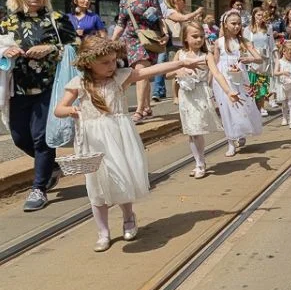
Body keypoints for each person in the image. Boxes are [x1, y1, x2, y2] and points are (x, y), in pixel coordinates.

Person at [54, 36, 204, 250]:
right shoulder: (79, 83)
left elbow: (151, 71)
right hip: (94, 141)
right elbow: (58, 110)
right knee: (96, 187)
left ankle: (128, 217)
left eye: (114, 60)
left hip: (119, 136)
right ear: (88, 63)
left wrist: (180, 62)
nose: (112, 66)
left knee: (121, 180)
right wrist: (71, 110)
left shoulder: (120, 77)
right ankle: (103, 232)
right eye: (105, 62)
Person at [1, 0, 77, 211]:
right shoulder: (7, 22)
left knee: (41, 137)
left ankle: (38, 188)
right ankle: (50, 166)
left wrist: (50, 48)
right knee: (19, 137)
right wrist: (5, 52)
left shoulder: (56, 18)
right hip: (17, 88)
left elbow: (76, 45)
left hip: (50, 87)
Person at [167, 22, 224, 179]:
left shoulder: (206, 56)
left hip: (200, 95)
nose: (199, 39)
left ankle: (200, 163)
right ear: (185, 38)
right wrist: (180, 70)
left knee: (196, 130)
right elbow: (168, 74)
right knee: (191, 132)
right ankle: (199, 161)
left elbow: (217, 74)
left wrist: (227, 91)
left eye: (201, 36)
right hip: (186, 96)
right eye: (195, 36)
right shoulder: (180, 54)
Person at [110, 0, 167, 124]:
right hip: (131, 39)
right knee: (143, 73)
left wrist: (165, 34)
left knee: (140, 72)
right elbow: (121, 23)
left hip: (148, 37)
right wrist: (111, 41)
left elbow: (159, 18)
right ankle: (147, 108)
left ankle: (139, 111)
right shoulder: (123, 0)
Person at [212, 10, 264, 157]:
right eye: (233, 23)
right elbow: (214, 64)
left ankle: (240, 133)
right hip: (224, 80)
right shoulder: (219, 43)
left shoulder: (243, 42)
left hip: (240, 79)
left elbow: (259, 58)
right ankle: (230, 141)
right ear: (225, 24)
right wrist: (210, 82)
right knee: (226, 110)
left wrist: (250, 59)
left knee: (242, 107)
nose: (236, 26)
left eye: (239, 24)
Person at [155, 0, 204, 103]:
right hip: (173, 45)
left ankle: (185, 90)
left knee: (184, 69)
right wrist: (196, 11)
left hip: (183, 44)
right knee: (176, 70)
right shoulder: (170, 12)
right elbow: (183, 19)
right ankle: (175, 95)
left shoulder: (183, 12)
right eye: (182, 0)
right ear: (174, 1)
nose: (184, 2)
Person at [244, 7, 275, 117]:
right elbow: (245, 45)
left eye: (262, 15)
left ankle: (261, 106)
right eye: (258, 15)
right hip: (252, 60)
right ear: (253, 16)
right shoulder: (248, 30)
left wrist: (276, 60)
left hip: (264, 60)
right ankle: (253, 107)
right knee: (252, 83)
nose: (260, 17)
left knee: (262, 84)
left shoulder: (268, 29)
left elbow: (272, 45)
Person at [272, 42, 291, 129]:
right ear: (284, 51)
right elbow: (275, 72)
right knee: (284, 103)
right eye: (290, 53)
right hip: (282, 85)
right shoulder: (279, 62)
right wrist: (283, 72)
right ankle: (284, 118)